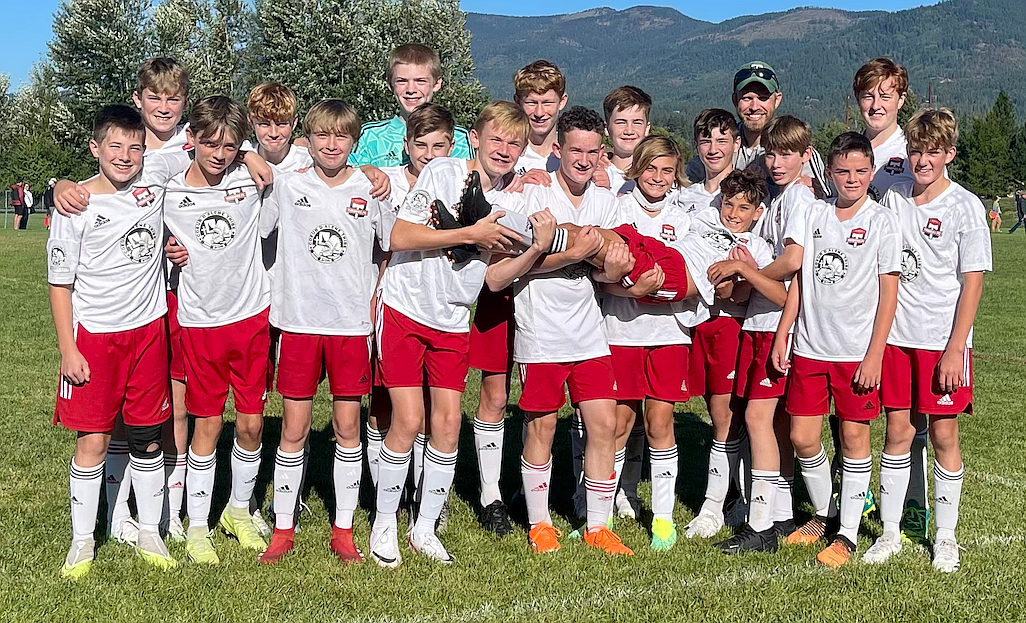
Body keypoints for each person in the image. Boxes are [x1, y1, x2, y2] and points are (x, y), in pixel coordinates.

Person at [369, 101, 535, 567]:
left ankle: (425, 527)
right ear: (475, 139)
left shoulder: (515, 204)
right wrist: (471, 233)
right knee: (407, 421)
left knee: (447, 423)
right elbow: (400, 236)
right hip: (405, 308)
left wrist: (534, 246)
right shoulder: (442, 171)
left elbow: (494, 280)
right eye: (495, 139)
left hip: (451, 320)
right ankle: (385, 524)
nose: (503, 149)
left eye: (514, 143)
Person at [47, 104, 189, 577]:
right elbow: (59, 284)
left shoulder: (157, 177)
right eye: (115, 147)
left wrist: (252, 157)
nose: (126, 156)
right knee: (93, 439)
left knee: (148, 437)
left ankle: (150, 530)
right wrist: (69, 349)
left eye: (135, 147)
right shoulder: (78, 204)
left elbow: (213, 146)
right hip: (95, 339)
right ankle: (83, 540)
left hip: (149, 332)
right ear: (95, 148)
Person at [484, 106, 631, 556]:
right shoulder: (533, 196)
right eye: (574, 150)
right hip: (541, 334)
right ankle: (540, 522)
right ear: (556, 149)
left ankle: (598, 526)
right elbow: (503, 274)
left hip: (590, 333)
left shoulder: (608, 201)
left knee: (603, 423)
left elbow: (610, 267)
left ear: (602, 153)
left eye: (591, 151)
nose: (583, 160)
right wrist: (576, 252)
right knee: (541, 425)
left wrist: (601, 260)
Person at [257, 100, 395, 565]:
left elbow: (391, 246)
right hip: (297, 323)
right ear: (307, 139)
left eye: (341, 137)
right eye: (321, 136)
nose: (331, 145)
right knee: (293, 429)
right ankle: (282, 528)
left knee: (347, 427)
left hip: (350, 326)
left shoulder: (371, 189)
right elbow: (252, 234)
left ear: (355, 143)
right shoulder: (288, 185)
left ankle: (342, 529)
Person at [868, 108, 991, 573]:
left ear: (949, 155)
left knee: (943, 434)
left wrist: (956, 346)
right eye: (916, 151)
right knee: (897, 433)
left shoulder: (965, 206)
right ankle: (892, 533)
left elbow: (973, 281)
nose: (922, 160)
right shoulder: (894, 196)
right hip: (897, 338)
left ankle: (945, 537)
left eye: (933, 152)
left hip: (942, 341)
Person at [773, 132, 901, 568]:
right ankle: (825, 514)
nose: (852, 179)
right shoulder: (812, 213)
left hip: (855, 352)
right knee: (802, 436)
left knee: (853, 439)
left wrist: (874, 355)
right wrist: (784, 330)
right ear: (829, 172)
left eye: (861, 171)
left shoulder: (882, 221)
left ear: (871, 173)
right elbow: (799, 281)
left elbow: (889, 295)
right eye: (843, 171)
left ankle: (846, 534)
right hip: (810, 346)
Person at [161, 96, 271, 565]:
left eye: (230, 146)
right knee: (206, 425)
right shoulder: (164, 187)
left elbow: (305, 152)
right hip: (201, 322)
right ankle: (198, 525)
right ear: (192, 141)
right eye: (211, 144)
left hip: (250, 319)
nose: (220, 154)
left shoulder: (252, 176)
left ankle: (239, 511)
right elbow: (114, 182)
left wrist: (251, 153)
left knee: (249, 424)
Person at [705, 115, 818, 553]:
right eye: (770, 152)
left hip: (779, 324)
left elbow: (792, 264)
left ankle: (765, 524)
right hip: (760, 322)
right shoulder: (774, 197)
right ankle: (783, 517)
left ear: (806, 156)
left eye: (786, 153)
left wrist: (745, 273)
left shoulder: (800, 201)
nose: (776, 161)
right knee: (776, 424)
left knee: (759, 419)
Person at [599, 135, 694, 547]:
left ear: (676, 176)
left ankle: (664, 518)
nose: (658, 177)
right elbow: (601, 270)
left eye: (667, 170)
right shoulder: (617, 208)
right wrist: (632, 289)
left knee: (660, 420)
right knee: (618, 423)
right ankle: (602, 513)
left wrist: (664, 286)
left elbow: (690, 276)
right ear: (636, 168)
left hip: (669, 334)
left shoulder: (686, 216)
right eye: (650, 168)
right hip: (621, 331)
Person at [686, 62, 832, 200]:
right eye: (747, 98)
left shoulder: (796, 146)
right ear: (734, 100)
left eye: (763, 98)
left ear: (777, 99)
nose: (754, 106)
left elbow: (822, 201)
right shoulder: (721, 145)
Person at [348, 44, 473, 167]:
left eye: (420, 81)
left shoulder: (459, 138)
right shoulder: (372, 137)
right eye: (402, 81)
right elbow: (352, 178)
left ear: (436, 84)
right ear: (390, 85)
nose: (411, 89)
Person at [602, 86, 653, 195]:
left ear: (647, 128)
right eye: (621, 122)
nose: (629, 130)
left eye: (637, 122)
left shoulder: (657, 177)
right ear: (606, 129)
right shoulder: (597, 173)